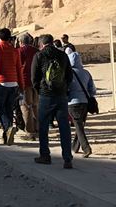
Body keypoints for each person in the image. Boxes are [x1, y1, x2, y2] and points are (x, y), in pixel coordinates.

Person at [32, 35, 73, 168]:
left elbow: (34, 78)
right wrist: (64, 89)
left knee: (43, 127)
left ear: (42, 44)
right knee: (64, 127)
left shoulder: (39, 56)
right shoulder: (63, 55)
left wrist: (40, 91)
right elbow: (69, 76)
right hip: (61, 95)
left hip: (46, 95)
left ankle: (45, 155)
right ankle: (67, 158)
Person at [0, 28, 23, 145]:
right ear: (9, 38)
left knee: (0, 108)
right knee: (9, 108)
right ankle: (7, 134)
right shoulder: (15, 51)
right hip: (14, 83)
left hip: (1, 82)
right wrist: (21, 85)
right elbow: (19, 69)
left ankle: (8, 128)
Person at [67, 47, 96, 158]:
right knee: (80, 125)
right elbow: (92, 89)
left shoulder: (69, 73)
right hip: (85, 102)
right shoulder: (86, 73)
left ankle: (86, 148)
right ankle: (75, 146)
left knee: (78, 126)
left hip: (73, 102)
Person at [17, 33, 39, 140]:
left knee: (26, 107)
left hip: (24, 82)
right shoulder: (36, 51)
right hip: (36, 82)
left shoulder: (19, 52)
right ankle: (39, 129)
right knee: (36, 106)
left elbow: (17, 67)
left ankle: (30, 132)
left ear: (21, 42)